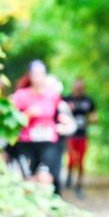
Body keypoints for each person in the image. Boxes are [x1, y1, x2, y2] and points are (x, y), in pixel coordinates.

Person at [10, 60, 65, 196]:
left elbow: (59, 115)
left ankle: (48, 212)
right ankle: (30, 214)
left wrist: (63, 122)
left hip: (48, 143)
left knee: (45, 178)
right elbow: (10, 122)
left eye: (41, 74)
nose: (38, 77)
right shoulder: (20, 96)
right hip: (27, 143)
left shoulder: (53, 95)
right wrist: (27, 114)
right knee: (29, 182)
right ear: (30, 75)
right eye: (35, 74)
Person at [62, 78, 97, 198]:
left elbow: (94, 116)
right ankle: (69, 175)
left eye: (80, 87)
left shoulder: (88, 100)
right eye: (77, 87)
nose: (78, 89)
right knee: (72, 158)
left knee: (81, 161)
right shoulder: (67, 99)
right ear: (73, 87)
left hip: (82, 134)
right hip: (70, 135)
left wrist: (92, 120)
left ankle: (79, 185)